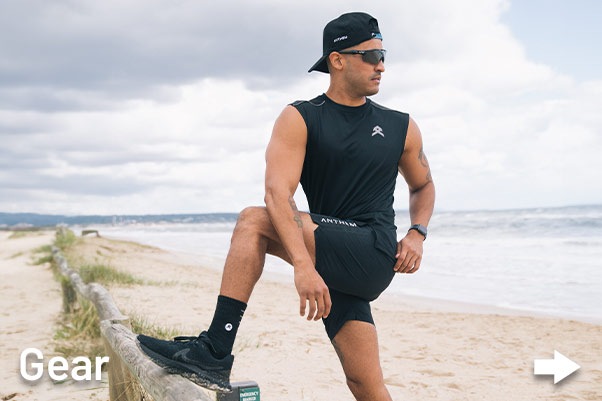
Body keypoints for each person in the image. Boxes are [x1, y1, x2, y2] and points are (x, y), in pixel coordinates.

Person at [138, 11, 435, 401]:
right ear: (338, 59)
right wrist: (305, 264)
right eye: (370, 55)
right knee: (366, 384)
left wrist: (417, 232)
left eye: (384, 55)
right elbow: (278, 194)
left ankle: (214, 350)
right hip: (330, 256)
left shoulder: (401, 125)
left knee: (252, 222)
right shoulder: (302, 117)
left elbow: (424, 185)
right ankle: (213, 351)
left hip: (373, 250)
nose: (381, 65)